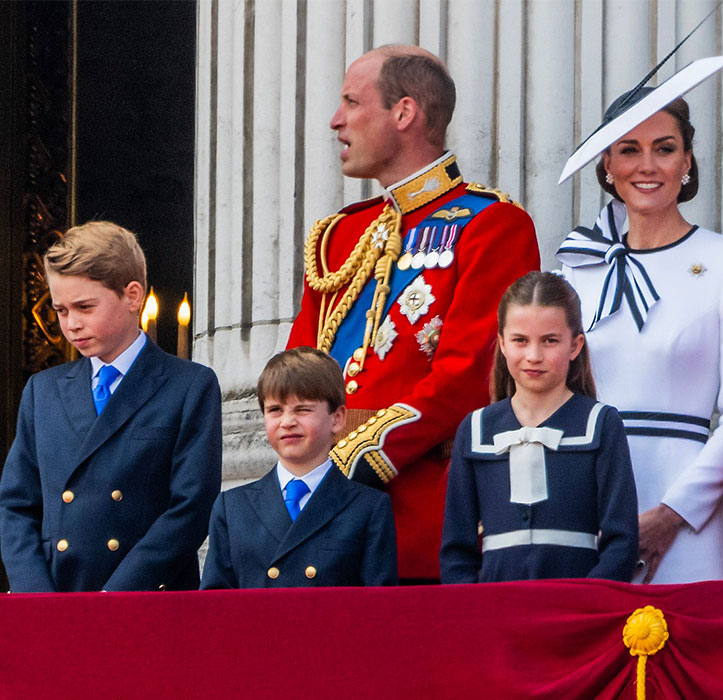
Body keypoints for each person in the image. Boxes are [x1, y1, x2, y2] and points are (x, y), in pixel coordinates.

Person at [286, 45, 540, 583]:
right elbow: (296, 373)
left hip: (421, 514)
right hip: (320, 514)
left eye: (352, 102)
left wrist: (355, 456)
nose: (336, 121)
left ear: (404, 114)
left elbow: (468, 376)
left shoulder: (490, 224)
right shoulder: (340, 237)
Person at [558, 83, 723, 584]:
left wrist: (673, 513)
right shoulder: (575, 266)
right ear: (607, 164)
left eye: (664, 149)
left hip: (685, 513)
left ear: (687, 161)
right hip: (583, 504)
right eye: (629, 149)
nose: (647, 166)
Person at [0, 221, 222, 592]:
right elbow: (16, 505)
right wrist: (35, 596)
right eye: (61, 310)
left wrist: (115, 597)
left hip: (146, 598)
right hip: (56, 598)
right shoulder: (43, 390)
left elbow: (191, 506)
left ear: (132, 295)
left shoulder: (190, 386)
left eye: (85, 307)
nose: (71, 325)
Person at [440, 272, 638, 583]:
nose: (534, 356)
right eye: (520, 340)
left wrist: (587, 603)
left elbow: (621, 543)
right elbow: (456, 551)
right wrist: (474, 611)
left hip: (578, 611)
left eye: (550, 341)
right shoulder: (476, 429)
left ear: (575, 346)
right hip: (495, 614)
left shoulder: (601, 424)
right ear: (503, 344)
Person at [201, 347, 397, 588]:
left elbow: (379, 613)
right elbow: (215, 609)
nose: (287, 422)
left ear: (337, 418)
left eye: (303, 409)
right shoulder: (232, 508)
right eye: (275, 410)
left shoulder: (368, 509)